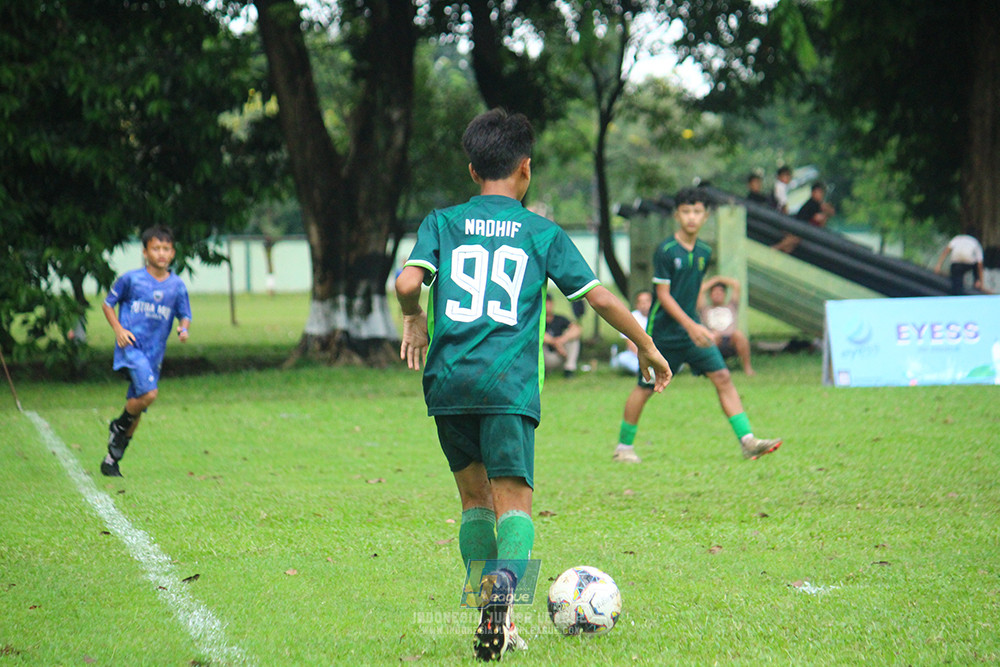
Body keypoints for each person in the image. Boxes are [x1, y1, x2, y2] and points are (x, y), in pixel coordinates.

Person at [395, 108, 672, 662]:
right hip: (509, 385)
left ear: (473, 170)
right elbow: (597, 296)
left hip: (447, 382)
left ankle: (491, 614)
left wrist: (413, 316)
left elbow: (407, 282)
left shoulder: (441, 223)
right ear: (526, 169)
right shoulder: (540, 232)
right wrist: (644, 344)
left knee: (475, 502)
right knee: (514, 504)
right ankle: (503, 608)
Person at [612, 187, 780, 465]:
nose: (692, 217)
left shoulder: (703, 252)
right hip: (663, 335)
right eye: (687, 211)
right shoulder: (665, 251)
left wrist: (700, 325)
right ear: (677, 215)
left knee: (723, 377)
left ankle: (747, 441)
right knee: (644, 388)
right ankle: (623, 447)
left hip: (691, 333)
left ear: (706, 216)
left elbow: (691, 293)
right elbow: (664, 297)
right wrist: (692, 326)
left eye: (698, 211)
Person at [100, 226, 192, 477]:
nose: (161, 253)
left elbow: (185, 315)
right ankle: (118, 426)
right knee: (150, 394)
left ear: (172, 253)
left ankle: (112, 459)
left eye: (166, 249)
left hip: (154, 354)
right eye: (155, 248)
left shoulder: (176, 286)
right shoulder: (131, 279)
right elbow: (108, 304)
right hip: (131, 347)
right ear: (145, 252)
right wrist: (119, 329)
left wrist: (183, 329)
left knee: (139, 405)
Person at [697, 277, 755, 376]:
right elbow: (700, 289)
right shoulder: (705, 309)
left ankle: (747, 368)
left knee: (739, 335)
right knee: (713, 335)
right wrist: (714, 281)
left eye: (720, 293)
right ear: (710, 295)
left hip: (731, 340)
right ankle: (713, 369)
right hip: (714, 340)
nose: (717, 295)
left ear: (724, 295)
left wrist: (720, 279)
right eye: (715, 293)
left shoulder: (731, 306)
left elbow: (736, 285)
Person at [610, 290, 653, 374]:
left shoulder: (658, 317)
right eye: (641, 302)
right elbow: (630, 344)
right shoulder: (631, 318)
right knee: (623, 358)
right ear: (637, 305)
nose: (644, 305)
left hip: (656, 354)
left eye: (647, 301)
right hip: (636, 355)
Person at [543, 295, 582, 377]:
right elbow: (538, 335)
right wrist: (554, 342)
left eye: (548, 303)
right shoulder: (538, 321)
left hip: (561, 353)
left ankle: (569, 369)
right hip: (546, 356)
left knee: (574, 340)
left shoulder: (559, 319)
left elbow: (577, 329)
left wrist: (562, 340)